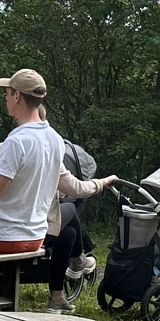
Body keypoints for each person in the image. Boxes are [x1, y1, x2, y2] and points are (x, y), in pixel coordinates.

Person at [0, 70, 115, 257]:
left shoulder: (15, 142)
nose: (6, 98)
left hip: (2, 236)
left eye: (7, 93)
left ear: (17, 96)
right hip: (35, 237)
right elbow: (74, 187)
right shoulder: (55, 139)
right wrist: (103, 182)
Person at [45, 133, 103, 311]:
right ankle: (79, 259)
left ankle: (57, 298)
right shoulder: (43, 158)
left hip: (32, 226)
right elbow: (78, 188)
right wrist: (102, 183)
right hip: (27, 230)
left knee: (69, 234)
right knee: (69, 209)